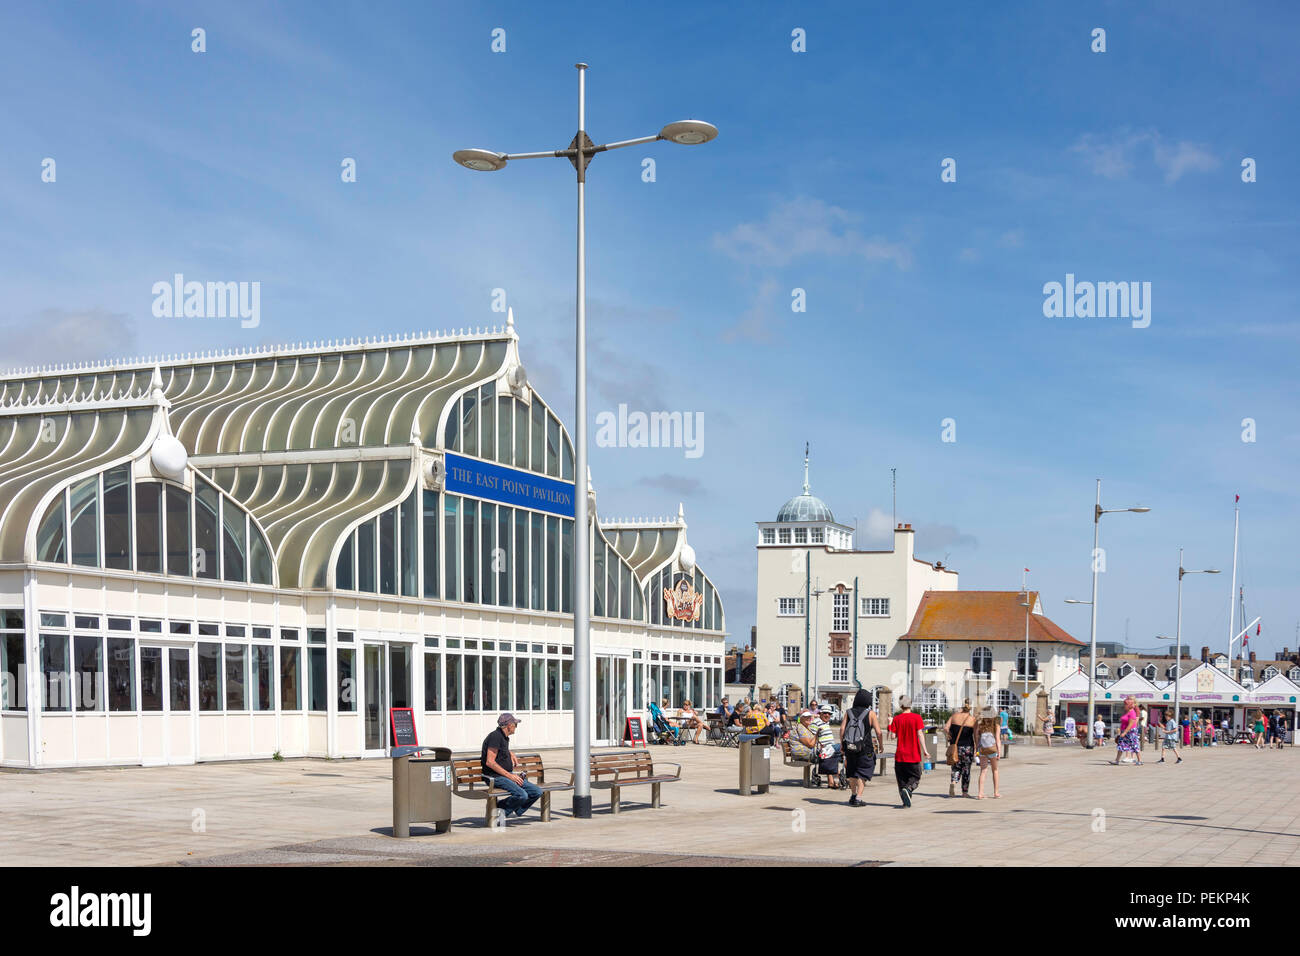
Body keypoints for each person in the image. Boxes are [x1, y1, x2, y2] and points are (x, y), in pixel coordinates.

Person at [481, 712, 542, 819]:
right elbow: (490, 762)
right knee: (521, 795)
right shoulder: (495, 736)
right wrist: (510, 776)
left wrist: (509, 752)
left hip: (505, 775)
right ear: (509, 725)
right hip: (495, 777)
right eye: (515, 725)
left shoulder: (503, 737)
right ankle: (497, 812)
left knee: (536, 791)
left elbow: (498, 750)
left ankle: (510, 808)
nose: (516, 727)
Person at [840, 689, 882, 806]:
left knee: (852, 771)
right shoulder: (870, 713)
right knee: (863, 772)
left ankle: (853, 795)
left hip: (850, 746)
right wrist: (881, 745)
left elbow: (842, 729)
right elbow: (879, 732)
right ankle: (858, 798)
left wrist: (842, 745)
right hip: (865, 748)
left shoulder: (848, 712)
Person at [887, 695, 926, 807]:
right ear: (911, 704)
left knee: (902, 780)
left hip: (900, 755)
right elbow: (920, 734)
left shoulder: (897, 719)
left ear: (901, 705)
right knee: (916, 777)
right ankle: (909, 789)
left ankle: (905, 802)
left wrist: (890, 723)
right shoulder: (917, 717)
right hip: (913, 754)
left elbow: (893, 737)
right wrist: (925, 750)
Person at [946, 699, 977, 798]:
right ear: (970, 707)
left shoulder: (954, 716)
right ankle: (964, 792)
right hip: (968, 747)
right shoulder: (972, 719)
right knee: (966, 769)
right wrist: (976, 746)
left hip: (955, 747)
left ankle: (954, 782)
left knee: (955, 767)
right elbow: (975, 735)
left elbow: (945, 728)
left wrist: (949, 735)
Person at [975, 708, 1003, 798]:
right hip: (992, 750)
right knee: (995, 770)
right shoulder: (996, 726)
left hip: (983, 750)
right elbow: (998, 740)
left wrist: (977, 750)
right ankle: (996, 792)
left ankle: (980, 793)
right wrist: (999, 752)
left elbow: (977, 739)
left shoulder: (980, 726)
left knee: (983, 770)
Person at [813, 704, 842, 788]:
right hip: (825, 748)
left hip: (829, 748)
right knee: (846, 748)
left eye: (829, 714)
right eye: (825, 713)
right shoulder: (816, 722)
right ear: (820, 713)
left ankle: (831, 781)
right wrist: (818, 745)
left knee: (831, 756)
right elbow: (812, 736)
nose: (827, 715)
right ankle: (849, 777)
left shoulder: (825, 723)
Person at [1114, 696, 1142, 765]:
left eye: (1125, 704)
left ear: (1129, 706)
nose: (1124, 706)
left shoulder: (1132, 713)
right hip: (1124, 731)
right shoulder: (1126, 712)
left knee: (1135, 745)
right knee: (1121, 745)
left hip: (1130, 732)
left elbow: (1131, 724)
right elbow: (1123, 722)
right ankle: (1116, 760)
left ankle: (1139, 760)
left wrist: (1125, 732)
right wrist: (1121, 731)